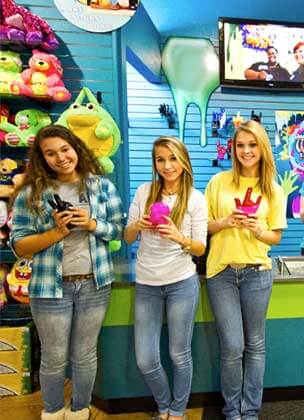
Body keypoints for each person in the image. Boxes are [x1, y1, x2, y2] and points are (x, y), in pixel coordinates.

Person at [10, 125, 124, 420]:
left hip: (94, 285)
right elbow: (20, 246)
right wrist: (57, 232)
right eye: (50, 153)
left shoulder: (101, 187)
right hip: (50, 288)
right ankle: (52, 411)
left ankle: (79, 411)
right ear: (41, 158)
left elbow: (118, 229)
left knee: (85, 355)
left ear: (75, 148)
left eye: (64, 149)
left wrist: (92, 224)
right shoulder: (31, 194)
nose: (60, 158)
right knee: (53, 358)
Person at [204, 120, 287, 420]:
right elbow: (204, 226)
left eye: (252, 145)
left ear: (262, 148)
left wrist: (258, 229)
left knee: (255, 345)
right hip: (222, 272)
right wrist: (225, 222)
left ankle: (249, 412)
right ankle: (231, 411)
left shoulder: (273, 189)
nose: (246, 151)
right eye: (240, 145)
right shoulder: (218, 182)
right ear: (233, 148)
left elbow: (275, 238)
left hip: (257, 272)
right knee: (232, 346)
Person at [124, 136, 207, 420]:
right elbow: (127, 237)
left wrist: (179, 237)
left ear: (183, 161)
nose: (167, 165)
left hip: (182, 283)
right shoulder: (144, 192)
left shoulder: (196, 198)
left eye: (173, 158)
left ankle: (177, 411)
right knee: (145, 359)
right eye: (161, 159)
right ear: (154, 163)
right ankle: (163, 405)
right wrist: (138, 224)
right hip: (147, 284)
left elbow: (200, 247)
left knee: (178, 354)